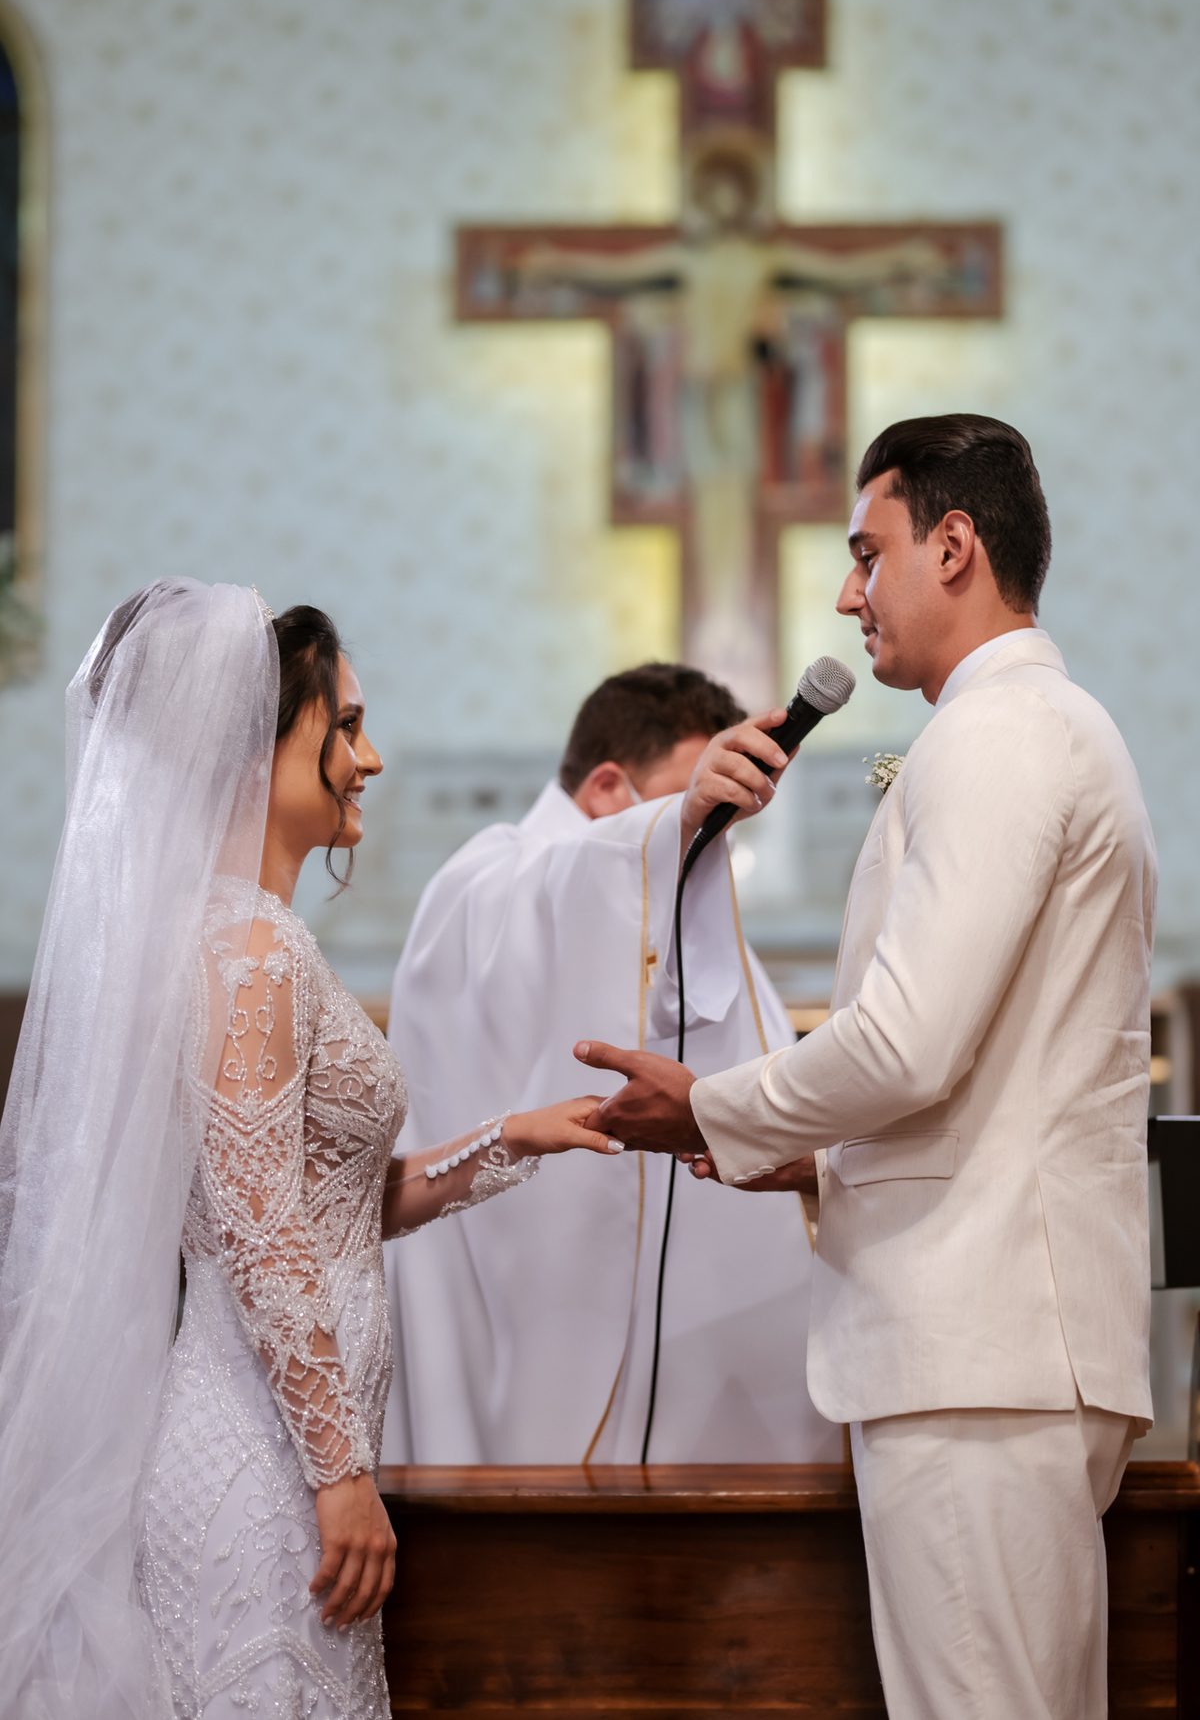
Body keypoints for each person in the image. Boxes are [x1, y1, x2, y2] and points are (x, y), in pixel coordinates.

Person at [575, 415, 1155, 1719]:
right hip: (1000, 1340)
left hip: (980, 1343)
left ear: (954, 545)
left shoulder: (999, 737)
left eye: (866, 551)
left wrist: (711, 1106)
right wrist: (805, 1145)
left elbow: (910, 1042)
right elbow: (988, 1064)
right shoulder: (1032, 730)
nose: (848, 594)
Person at [0, 580, 623, 1720]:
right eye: (343, 725)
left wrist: (514, 1139)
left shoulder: (243, 936)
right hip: (264, 1462)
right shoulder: (245, 948)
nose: (370, 757)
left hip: (286, 1449)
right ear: (254, 743)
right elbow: (259, 1231)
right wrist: (341, 1479)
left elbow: (326, 1201)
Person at [384, 664, 842, 1465]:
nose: (708, 825)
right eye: (689, 793)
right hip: (529, 1328)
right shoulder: (488, 878)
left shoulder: (673, 889)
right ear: (605, 787)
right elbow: (552, 900)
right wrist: (676, 822)